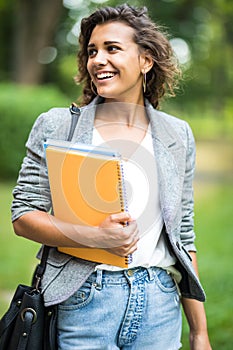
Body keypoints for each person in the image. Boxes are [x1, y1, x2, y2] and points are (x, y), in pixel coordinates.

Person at [11, 4, 212, 349]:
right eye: (92, 51)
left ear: (146, 60)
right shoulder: (58, 125)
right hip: (85, 301)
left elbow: (184, 236)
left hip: (160, 304)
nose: (97, 60)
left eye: (112, 48)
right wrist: (95, 237)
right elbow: (23, 215)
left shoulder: (177, 135)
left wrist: (199, 332)